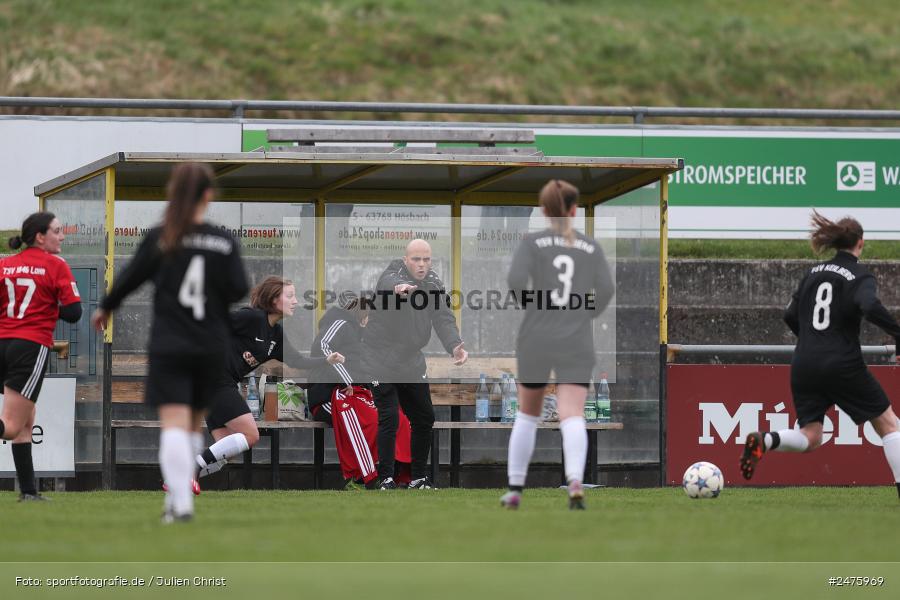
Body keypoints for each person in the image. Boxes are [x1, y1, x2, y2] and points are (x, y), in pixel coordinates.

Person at [92, 162, 249, 523]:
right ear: (208, 195)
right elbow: (240, 288)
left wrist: (106, 308)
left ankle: (179, 505)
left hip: (170, 342)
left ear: (172, 193)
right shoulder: (222, 240)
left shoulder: (162, 236)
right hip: (210, 343)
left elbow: (130, 277)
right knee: (193, 424)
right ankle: (182, 504)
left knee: (174, 424)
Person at [740, 212, 900, 498]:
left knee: (811, 436)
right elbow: (870, 305)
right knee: (889, 425)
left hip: (804, 363)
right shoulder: (860, 275)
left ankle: (766, 439)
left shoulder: (812, 274)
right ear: (860, 244)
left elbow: (790, 314)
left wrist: (813, 341)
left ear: (837, 243)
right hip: (842, 362)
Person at [501, 180, 614, 510]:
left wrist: (534, 306)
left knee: (527, 414)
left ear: (544, 210)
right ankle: (575, 480)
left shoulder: (532, 243)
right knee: (572, 414)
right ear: (574, 210)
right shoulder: (591, 247)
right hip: (576, 338)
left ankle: (515, 489)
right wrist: (584, 313)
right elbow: (605, 290)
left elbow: (515, 281)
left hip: (536, 336)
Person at [194, 276, 344, 481]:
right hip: (213, 380)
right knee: (252, 435)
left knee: (226, 449)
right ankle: (188, 472)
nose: (296, 301)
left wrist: (327, 360)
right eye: (290, 296)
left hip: (220, 383)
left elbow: (298, 360)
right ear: (274, 299)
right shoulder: (252, 318)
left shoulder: (276, 334)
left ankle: (178, 482)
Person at [361, 239, 468, 489]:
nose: (422, 264)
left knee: (424, 417)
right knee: (390, 417)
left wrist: (455, 345)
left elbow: (443, 318)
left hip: (410, 359)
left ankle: (418, 478)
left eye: (426, 259)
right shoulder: (393, 273)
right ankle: (385, 478)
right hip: (381, 358)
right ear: (406, 259)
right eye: (416, 259)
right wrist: (398, 288)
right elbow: (386, 283)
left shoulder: (433, 284)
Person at [0, 212, 82, 501]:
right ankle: (30, 493)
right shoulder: (55, 265)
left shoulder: (5, 264)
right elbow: (74, 313)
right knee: (10, 427)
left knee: (26, 421)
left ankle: (29, 493)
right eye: (58, 231)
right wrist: (47, 308)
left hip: (2, 342)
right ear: (40, 236)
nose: (62, 236)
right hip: (29, 346)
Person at [307, 291, 414, 488]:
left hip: (359, 394)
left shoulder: (366, 337)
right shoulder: (340, 323)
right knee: (371, 420)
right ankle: (362, 477)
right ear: (364, 315)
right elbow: (322, 346)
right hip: (328, 397)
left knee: (397, 419)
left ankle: (393, 476)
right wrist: (345, 379)